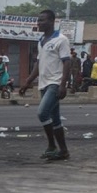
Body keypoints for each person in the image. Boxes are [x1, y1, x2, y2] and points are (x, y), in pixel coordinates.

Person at [19, 9, 71, 161]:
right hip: (43, 83)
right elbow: (39, 63)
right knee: (55, 119)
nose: (39, 23)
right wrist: (28, 81)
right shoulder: (41, 41)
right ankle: (64, 151)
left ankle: (51, 146)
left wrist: (63, 85)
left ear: (52, 21)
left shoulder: (61, 40)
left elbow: (67, 62)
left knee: (42, 113)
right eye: (38, 20)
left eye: (42, 20)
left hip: (55, 83)